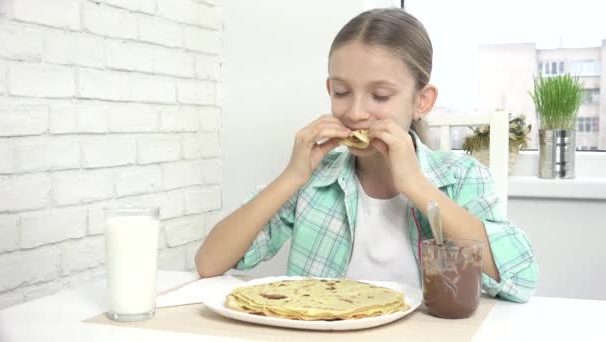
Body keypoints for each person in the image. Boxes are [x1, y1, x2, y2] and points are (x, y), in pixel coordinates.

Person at [195, 8, 539, 303]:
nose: (357, 112)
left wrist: (415, 185)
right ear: (330, 89)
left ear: (422, 101)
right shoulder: (314, 182)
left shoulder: (462, 176)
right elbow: (209, 263)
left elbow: (522, 279)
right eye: (343, 92)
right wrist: (292, 176)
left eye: (380, 95)